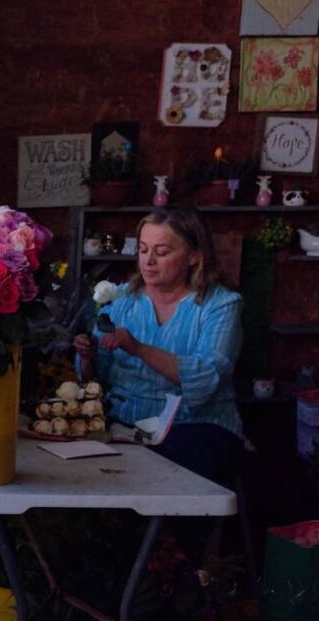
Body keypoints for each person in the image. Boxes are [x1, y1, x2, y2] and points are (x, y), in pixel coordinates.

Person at [74, 206, 243, 482]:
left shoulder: (220, 305)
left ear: (194, 255)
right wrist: (88, 356)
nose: (148, 261)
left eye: (161, 252)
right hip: (125, 424)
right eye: (143, 250)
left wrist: (139, 348)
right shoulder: (121, 300)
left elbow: (207, 377)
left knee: (172, 474)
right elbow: (97, 379)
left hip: (195, 425)